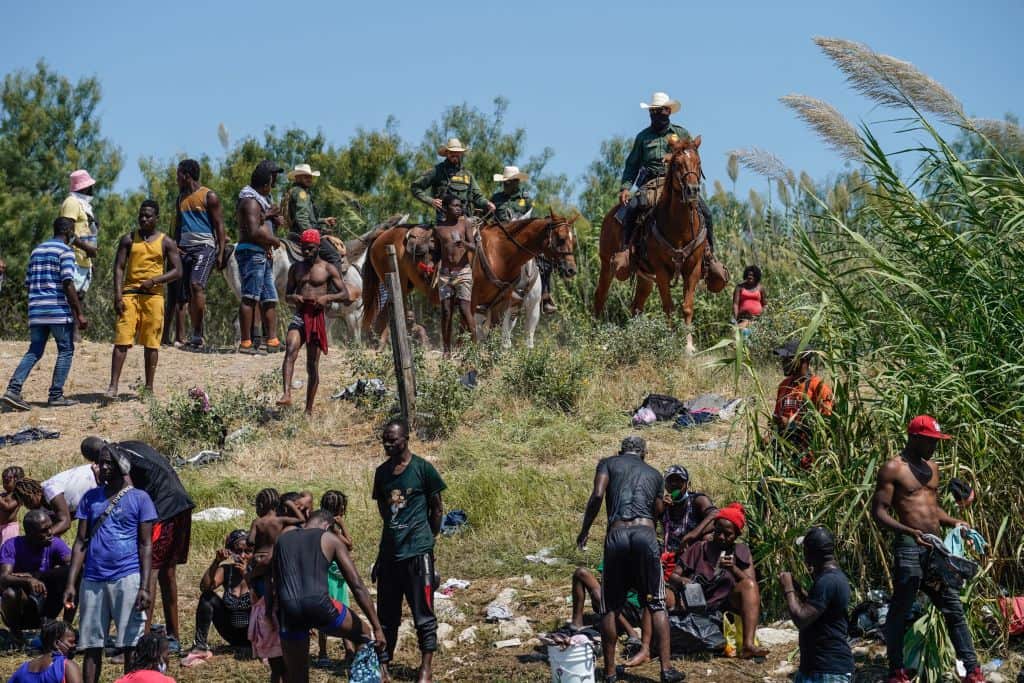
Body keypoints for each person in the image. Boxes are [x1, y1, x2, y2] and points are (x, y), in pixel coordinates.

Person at [871, 415, 983, 683]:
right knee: (900, 609)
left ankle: (973, 670)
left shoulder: (932, 467)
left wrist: (955, 521)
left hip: (935, 551)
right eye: (931, 441)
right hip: (909, 549)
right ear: (915, 438)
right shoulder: (893, 469)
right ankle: (896, 671)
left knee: (953, 609)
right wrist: (909, 531)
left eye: (937, 441)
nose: (935, 446)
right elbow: (879, 512)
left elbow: (932, 509)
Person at [576, 436, 685, 683]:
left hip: (616, 534)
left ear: (620, 451)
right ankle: (667, 669)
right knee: (657, 602)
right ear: (644, 454)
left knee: (609, 607)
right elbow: (657, 512)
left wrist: (585, 529)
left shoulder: (608, 463)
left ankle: (611, 672)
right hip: (645, 535)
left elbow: (597, 495)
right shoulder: (655, 474)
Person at [80, 438, 195, 654]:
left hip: (163, 509)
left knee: (148, 570)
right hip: (179, 504)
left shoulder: (121, 460)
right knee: (167, 573)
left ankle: (140, 643)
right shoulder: (131, 446)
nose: (103, 467)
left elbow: (128, 494)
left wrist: (101, 483)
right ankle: (172, 636)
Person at [62, 448, 157, 683]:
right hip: (93, 579)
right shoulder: (90, 498)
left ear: (121, 466)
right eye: (100, 463)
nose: (102, 467)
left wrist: (145, 587)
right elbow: (80, 542)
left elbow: (146, 545)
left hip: (128, 576)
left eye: (108, 463)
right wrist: (72, 582)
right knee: (92, 645)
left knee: (130, 644)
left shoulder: (140, 498)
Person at [273, 510, 386, 683]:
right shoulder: (329, 539)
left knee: (297, 678)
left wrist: (272, 613)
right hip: (320, 605)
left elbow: (276, 581)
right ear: (327, 526)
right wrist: (377, 628)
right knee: (364, 634)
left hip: (289, 610)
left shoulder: (282, 539)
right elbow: (357, 586)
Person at [372, 420, 446, 683]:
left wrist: (428, 540)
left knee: (423, 614)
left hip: (418, 554)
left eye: (392, 440)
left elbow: (436, 508)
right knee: (387, 615)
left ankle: (425, 667)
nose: (387, 444)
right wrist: (383, 554)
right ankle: (383, 663)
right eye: (384, 440)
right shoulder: (382, 473)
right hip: (391, 554)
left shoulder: (423, 469)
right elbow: (384, 512)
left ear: (405, 439)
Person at [617, 92, 715, 268]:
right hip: (651, 183)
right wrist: (625, 187)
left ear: (668, 111)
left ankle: (710, 255)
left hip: (680, 183)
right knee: (632, 207)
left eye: (660, 111)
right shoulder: (643, 137)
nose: (656, 114)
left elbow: (692, 157)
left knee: (706, 213)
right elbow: (632, 164)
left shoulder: (681, 133)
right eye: (653, 111)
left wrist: (676, 158)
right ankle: (626, 250)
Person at [1, 217, 88, 411]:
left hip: (36, 310)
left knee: (35, 350)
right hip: (56, 310)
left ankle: (13, 389)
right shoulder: (66, 251)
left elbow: (28, 282)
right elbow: (67, 282)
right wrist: (79, 313)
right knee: (66, 350)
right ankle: (56, 395)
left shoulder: (36, 250)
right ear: (69, 232)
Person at [669, 503, 769, 660]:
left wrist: (733, 569)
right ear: (714, 528)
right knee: (661, 594)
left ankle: (748, 645)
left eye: (727, 534)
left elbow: (751, 584)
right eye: (718, 532)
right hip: (694, 603)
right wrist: (682, 581)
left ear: (736, 535)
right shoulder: (699, 548)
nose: (721, 537)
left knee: (748, 586)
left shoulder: (741, 551)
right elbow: (673, 576)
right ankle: (652, 642)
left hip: (723, 609)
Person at [106, 200, 182, 399]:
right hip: (130, 294)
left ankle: (148, 388)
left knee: (151, 343)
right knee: (122, 338)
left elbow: (177, 270)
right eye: (141, 215)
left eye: (148, 216)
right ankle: (113, 386)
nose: (143, 219)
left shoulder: (166, 242)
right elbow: (119, 267)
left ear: (157, 218)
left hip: (154, 296)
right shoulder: (129, 239)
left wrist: (155, 280)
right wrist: (117, 295)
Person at [277, 229, 350, 415]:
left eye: (310, 249)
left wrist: (327, 297)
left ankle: (308, 409)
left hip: (317, 318)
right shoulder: (296, 269)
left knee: (312, 365)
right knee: (290, 348)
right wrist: (295, 298)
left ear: (318, 247)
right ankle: (286, 394)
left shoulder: (328, 268)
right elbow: (287, 295)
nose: (306, 252)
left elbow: (345, 294)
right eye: (303, 249)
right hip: (300, 315)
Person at [779, 526, 854, 683]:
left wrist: (788, 589)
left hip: (827, 670)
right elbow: (817, 610)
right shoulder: (831, 578)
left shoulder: (828, 581)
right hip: (817, 669)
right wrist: (798, 590)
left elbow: (801, 618)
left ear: (810, 554)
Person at [174, 159, 226, 350]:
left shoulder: (208, 196)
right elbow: (179, 226)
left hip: (205, 247)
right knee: (187, 294)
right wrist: (175, 246)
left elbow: (219, 225)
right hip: (184, 250)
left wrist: (220, 252)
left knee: (197, 285)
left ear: (186, 175)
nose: (176, 179)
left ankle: (197, 333)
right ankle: (195, 334)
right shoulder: (180, 199)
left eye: (178, 175)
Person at [491, 165, 558, 314]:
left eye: (510, 182)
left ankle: (546, 296)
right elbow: (489, 218)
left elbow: (533, 219)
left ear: (517, 182)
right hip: (501, 241)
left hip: (523, 241)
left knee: (545, 259)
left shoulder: (526, 199)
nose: (507, 184)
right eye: (505, 182)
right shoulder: (496, 199)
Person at [180, 530, 252, 668]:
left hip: (254, 634)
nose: (242, 556)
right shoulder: (227, 571)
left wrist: (247, 576)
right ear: (230, 552)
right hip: (231, 633)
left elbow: (264, 601)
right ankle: (200, 647)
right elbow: (205, 587)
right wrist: (216, 561)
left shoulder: (258, 571)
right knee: (207, 597)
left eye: (247, 551)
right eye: (238, 551)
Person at [235, 160, 285, 354]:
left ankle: (272, 340)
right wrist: (273, 240)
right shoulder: (249, 201)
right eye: (273, 179)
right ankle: (246, 342)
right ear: (266, 181)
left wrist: (273, 217)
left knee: (269, 297)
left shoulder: (262, 201)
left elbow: (264, 222)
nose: (274, 183)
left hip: (262, 253)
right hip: (252, 252)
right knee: (250, 296)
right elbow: (253, 231)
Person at [0, 510, 72, 637]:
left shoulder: (54, 543)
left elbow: (73, 566)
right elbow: (3, 577)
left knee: (73, 575)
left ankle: (66, 629)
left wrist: (34, 576)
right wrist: (28, 581)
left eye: (50, 527)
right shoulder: (12, 545)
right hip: (22, 608)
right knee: (10, 593)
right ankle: (16, 636)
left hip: (47, 602)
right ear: (30, 533)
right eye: (44, 530)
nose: (50, 532)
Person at [773, 340, 834, 459]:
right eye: (783, 359)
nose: (783, 363)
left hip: (808, 457)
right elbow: (777, 417)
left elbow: (826, 426)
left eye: (788, 359)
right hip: (784, 455)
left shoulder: (819, 387)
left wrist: (792, 426)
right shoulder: (784, 385)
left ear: (803, 361)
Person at [434, 196, 479, 355]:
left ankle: (474, 350)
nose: (459, 208)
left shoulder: (465, 224)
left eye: (460, 205)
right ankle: (446, 351)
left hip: (463, 272)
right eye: (455, 206)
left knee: (465, 310)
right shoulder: (439, 229)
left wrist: (464, 244)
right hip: (445, 275)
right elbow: (437, 253)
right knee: (446, 311)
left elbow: (474, 247)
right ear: (446, 208)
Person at [411, 137, 495, 222]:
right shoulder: (437, 171)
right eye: (452, 152)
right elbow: (415, 187)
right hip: (444, 220)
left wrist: (487, 203)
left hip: (466, 219)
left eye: (457, 152)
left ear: (461, 153)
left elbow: (477, 196)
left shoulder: (468, 174)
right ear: (447, 153)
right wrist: (431, 201)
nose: (455, 154)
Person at [283, 163, 345, 273]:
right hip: (303, 234)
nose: (309, 179)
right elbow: (301, 217)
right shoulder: (301, 193)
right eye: (306, 176)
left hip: (295, 232)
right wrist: (313, 235)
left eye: (310, 176)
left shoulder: (294, 191)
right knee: (334, 256)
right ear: (297, 178)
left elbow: (307, 217)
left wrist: (323, 220)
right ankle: (335, 289)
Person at [317, 490, 356, 664]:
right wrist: (343, 526)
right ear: (340, 509)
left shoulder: (320, 523)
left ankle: (335, 651)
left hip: (334, 576)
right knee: (336, 612)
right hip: (332, 576)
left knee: (336, 612)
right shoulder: (331, 527)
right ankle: (332, 652)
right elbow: (349, 545)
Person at [13, 462, 98, 538]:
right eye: (25, 504)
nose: (29, 506)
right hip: (94, 497)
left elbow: (65, 522)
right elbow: (58, 524)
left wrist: (43, 535)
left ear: (37, 492)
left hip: (96, 475)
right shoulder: (41, 507)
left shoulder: (51, 490)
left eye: (29, 501)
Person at [568, 565, 641, 644]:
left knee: (582, 574)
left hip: (634, 609)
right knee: (581, 573)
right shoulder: (614, 555)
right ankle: (576, 624)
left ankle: (631, 632)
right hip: (621, 606)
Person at [60, 169, 100, 311]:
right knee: (71, 301)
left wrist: (89, 261)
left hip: (83, 260)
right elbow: (66, 231)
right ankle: (71, 333)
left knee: (79, 300)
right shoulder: (71, 203)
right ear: (86, 186)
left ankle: (74, 332)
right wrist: (87, 248)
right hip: (73, 259)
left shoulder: (84, 205)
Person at [660, 465, 717, 554]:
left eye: (679, 481)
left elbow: (716, 516)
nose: (674, 484)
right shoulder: (663, 503)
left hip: (693, 550)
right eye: (670, 481)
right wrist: (661, 507)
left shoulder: (697, 500)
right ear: (665, 485)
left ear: (688, 484)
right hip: (670, 554)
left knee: (708, 538)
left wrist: (694, 534)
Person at [6, 619, 82, 683]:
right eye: (71, 642)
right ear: (56, 643)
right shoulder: (67, 666)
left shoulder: (23, 669)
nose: (74, 645)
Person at [1, 466, 25, 546]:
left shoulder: (17, 496)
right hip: (1, 526)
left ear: (17, 481)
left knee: (7, 547)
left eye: (7, 482)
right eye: (3, 482)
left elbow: (8, 507)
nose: (4, 485)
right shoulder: (3, 495)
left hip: (9, 528)